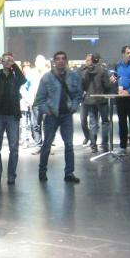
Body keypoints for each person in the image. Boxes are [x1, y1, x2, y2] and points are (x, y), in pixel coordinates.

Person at [34, 50, 82, 183]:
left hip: (66, 115)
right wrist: (47, 111)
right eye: (58, 59)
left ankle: (69, 173)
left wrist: (74, 106)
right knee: (47, 145)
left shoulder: (74, 76)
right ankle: (42, 171)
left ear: (66, 61)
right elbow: (39, 99)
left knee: (69, 145)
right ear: (54, 61)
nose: (60, 61)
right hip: (52, 116)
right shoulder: (47, 78)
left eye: (63, 58)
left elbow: (78, 95)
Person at [0, 52, 27, 185]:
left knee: (14, 149)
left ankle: (11, 175)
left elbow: (23, 80)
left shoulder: (16, 76)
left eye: (10, 60)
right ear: (2, 61)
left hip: (12, 116)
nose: (7, 62)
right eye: (5, 59)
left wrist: (14, 65)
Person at [81, 53, 113, 152]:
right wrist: (111, 82)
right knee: (104, 122)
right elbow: (107, 86)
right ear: (99, 60)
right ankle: (104, 145)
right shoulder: (103, 70)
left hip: (90, 100)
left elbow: (84, 86)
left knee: (93, 123)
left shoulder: (86, 71)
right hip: (101, 99)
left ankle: (94, 146)